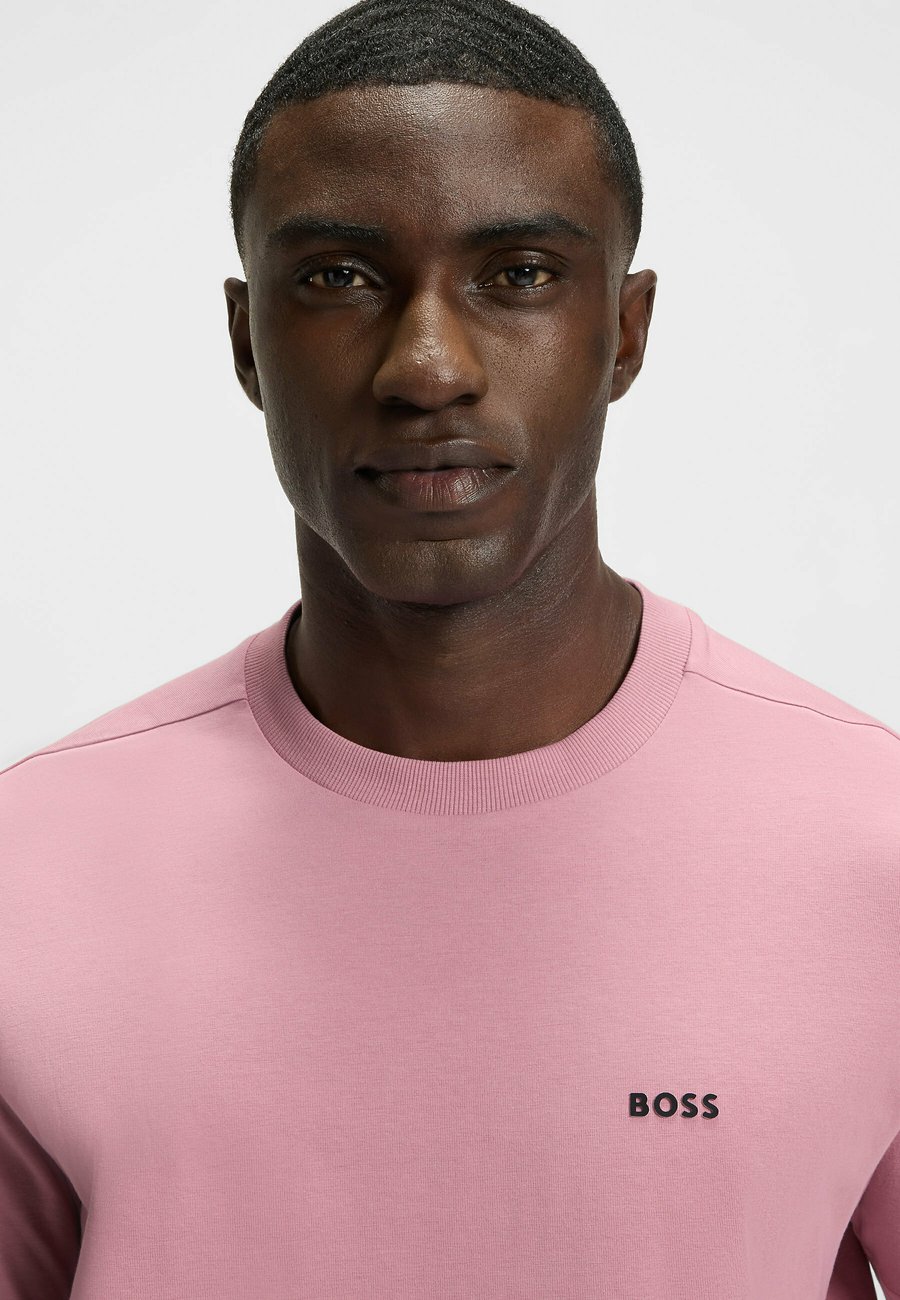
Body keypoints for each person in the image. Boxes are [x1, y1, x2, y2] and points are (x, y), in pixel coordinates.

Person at [1, 0, 897, 1295]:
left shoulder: (876, 852)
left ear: (625, 332)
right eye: (339, 277)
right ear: (248, 340)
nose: (427, 367)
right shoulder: (30, 871)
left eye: (520, 273)